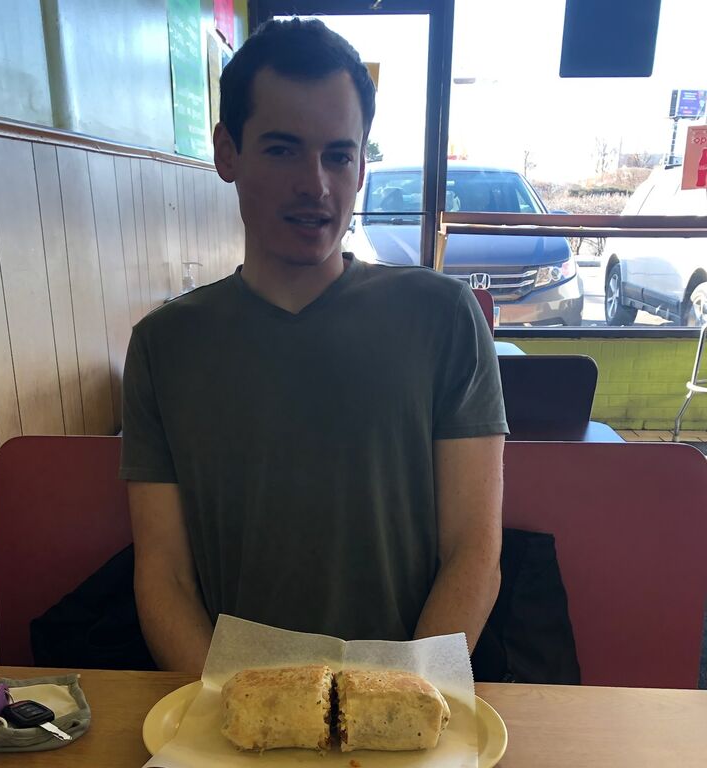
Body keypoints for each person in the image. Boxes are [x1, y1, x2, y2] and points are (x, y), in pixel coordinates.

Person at [120, 18, 508, 675]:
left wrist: (399, 701)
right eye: (281, 150)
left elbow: (473, 551)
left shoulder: (443, 316)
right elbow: (165, 578)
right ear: (226, 153)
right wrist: (223, 713)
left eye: (338, 154)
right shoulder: (163, 345)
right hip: (235, 713)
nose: (317, 184)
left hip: (404, 701)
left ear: (361, 166)